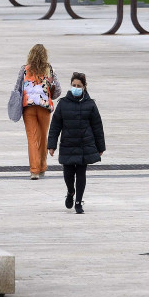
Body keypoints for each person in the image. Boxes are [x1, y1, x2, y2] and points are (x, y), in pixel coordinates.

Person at [47, 72, 105, 214]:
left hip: (84, 144)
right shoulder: (63, 104)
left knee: (81, 174)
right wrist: (52, 145)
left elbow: (97, 126)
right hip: (68, 144)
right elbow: (55, 125)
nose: (76, 88)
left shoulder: (90, 104)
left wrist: (100, 146)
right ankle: (70, 192)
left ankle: (78, 202)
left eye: (79, 85)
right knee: (68, 174)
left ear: (84, 87)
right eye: (74, 85)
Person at [17, 43, 61, 179]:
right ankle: (42, 167)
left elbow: (18, 88)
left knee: (32, 138)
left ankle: (34, 170)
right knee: (43, 137)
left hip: (28, 107)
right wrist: (49, 96)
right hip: (44, 107)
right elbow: (57, 89)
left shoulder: (24, 69)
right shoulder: (49, 70)